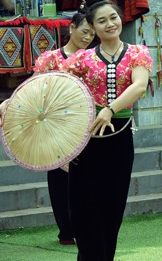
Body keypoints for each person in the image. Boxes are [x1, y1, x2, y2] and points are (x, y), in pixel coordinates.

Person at [62, 0, 151, 261]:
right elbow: (53, 87)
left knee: (112, 209)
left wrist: (110, 109)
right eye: (102, 21)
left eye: (113, 17)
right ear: (93, 28)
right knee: (83, 207)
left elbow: (139, 86)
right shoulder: (82, 60)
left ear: (120, 18)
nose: (110, 24)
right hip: (85, 141)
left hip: (119, 140)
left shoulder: (138, 53)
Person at [0, 12, 94, 246]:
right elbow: (33, 86)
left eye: (92, 34)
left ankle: (87, 226)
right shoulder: (52, 58)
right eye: (85, 31)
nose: (88, 37)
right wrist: (10, 103)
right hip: (54, 123)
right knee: (59, 175)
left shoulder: (94, 58)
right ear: (71, 28)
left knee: (86, 177)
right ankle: (65, 230)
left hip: (83, 122)